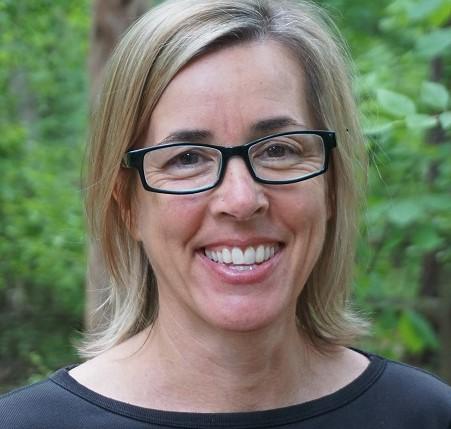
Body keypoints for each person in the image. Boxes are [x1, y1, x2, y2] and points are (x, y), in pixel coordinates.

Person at [1, 0, 450, 427]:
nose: (240, 200)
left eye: (279, 149)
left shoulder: (427, 415)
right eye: (187, 158)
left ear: (330, 184)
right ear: (128, 205)